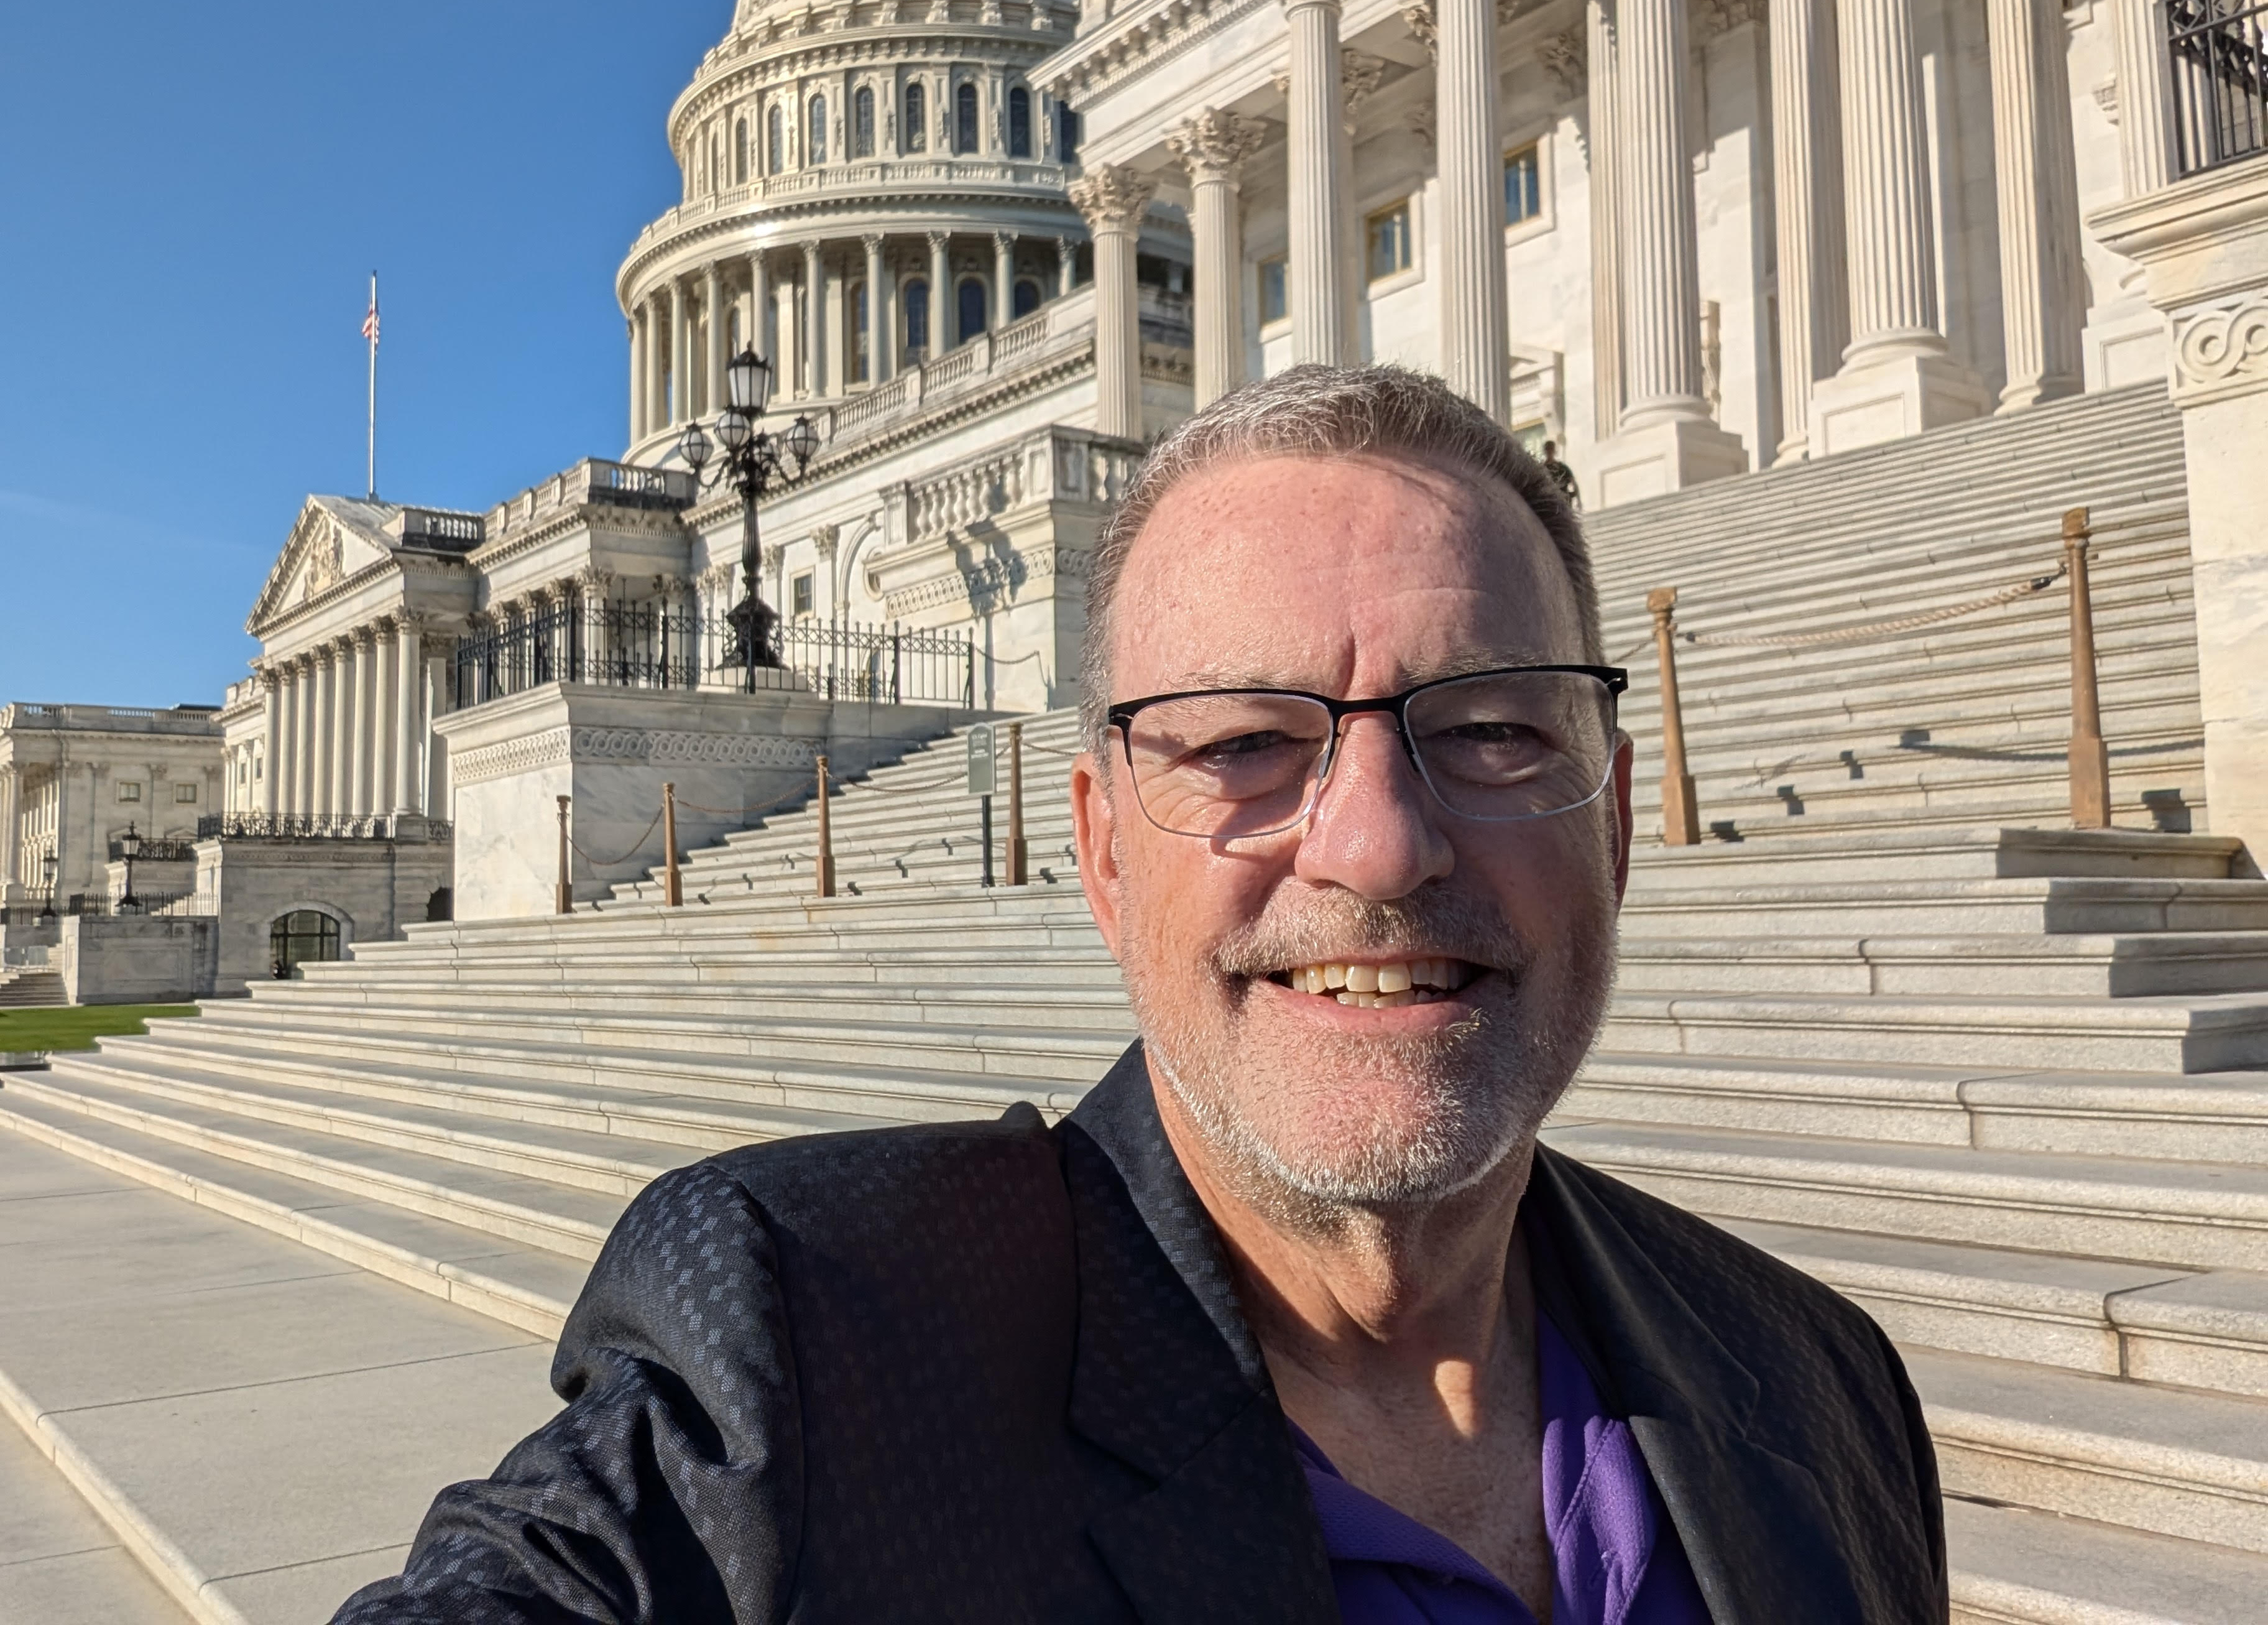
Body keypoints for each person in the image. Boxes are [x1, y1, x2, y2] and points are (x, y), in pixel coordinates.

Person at [336, 364, 1944, 1625]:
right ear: (1100, 852)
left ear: (1613, 816)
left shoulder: (1820, 1386)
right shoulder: (807, 1362)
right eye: (1245, 741)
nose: (1376, 844)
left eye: (1496, 730)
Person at [1539, 437, 1579, 504]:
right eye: (1548, 449)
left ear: (1554, 450)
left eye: (1551, 449)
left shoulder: (1562, 468)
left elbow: (1574, 483)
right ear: (1545, 451)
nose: (1549, 451)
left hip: (1563, 502)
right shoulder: (1541, 469)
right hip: (1549, 503)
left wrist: (1573, 496)